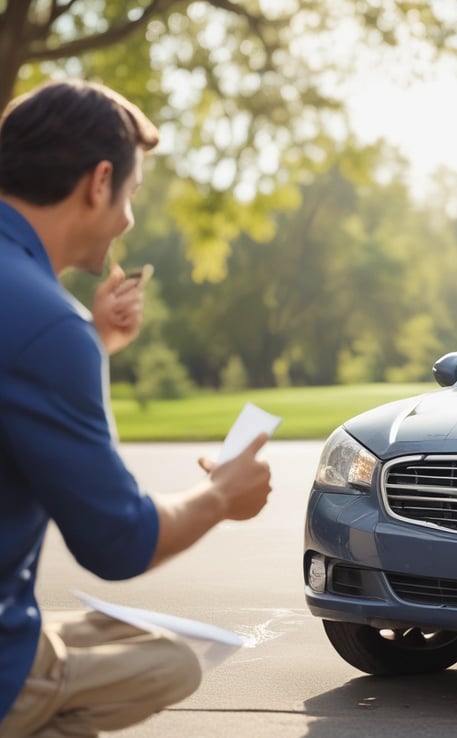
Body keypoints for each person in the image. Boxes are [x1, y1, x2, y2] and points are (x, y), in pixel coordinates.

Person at [0, 79, 273, 737]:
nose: (128, 218)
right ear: (99, 183)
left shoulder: (44, 321)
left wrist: (93, 345)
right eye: (132, 194)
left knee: (106, 636)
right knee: (171, 662)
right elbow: (118, 541)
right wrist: (219, 498)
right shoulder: (47, 326)